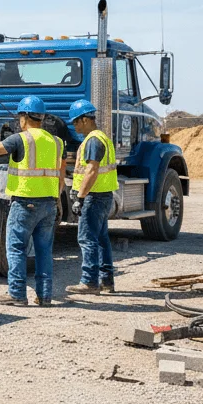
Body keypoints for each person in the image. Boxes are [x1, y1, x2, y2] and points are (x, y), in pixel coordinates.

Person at [0, 96, 64, 306]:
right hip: (49, 204)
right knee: (44, 251)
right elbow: (60, 174)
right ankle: (45, 296)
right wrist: (57, 199)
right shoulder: (56, 142)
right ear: (42, 117)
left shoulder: (20, 139)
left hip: (25, 203)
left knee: (16, 248)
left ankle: (16, 294)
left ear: (24, 117)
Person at [64, 99, 119, 295]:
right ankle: (106, 281)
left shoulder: (93, 140)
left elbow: (92, 170)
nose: (74, 126)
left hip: (94, 197)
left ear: (85, 120)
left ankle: (89, 281)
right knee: (101, 239)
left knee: (87, 239)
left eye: (76, 122)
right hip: (103, 195)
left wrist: (80, 196)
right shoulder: (101, 137)